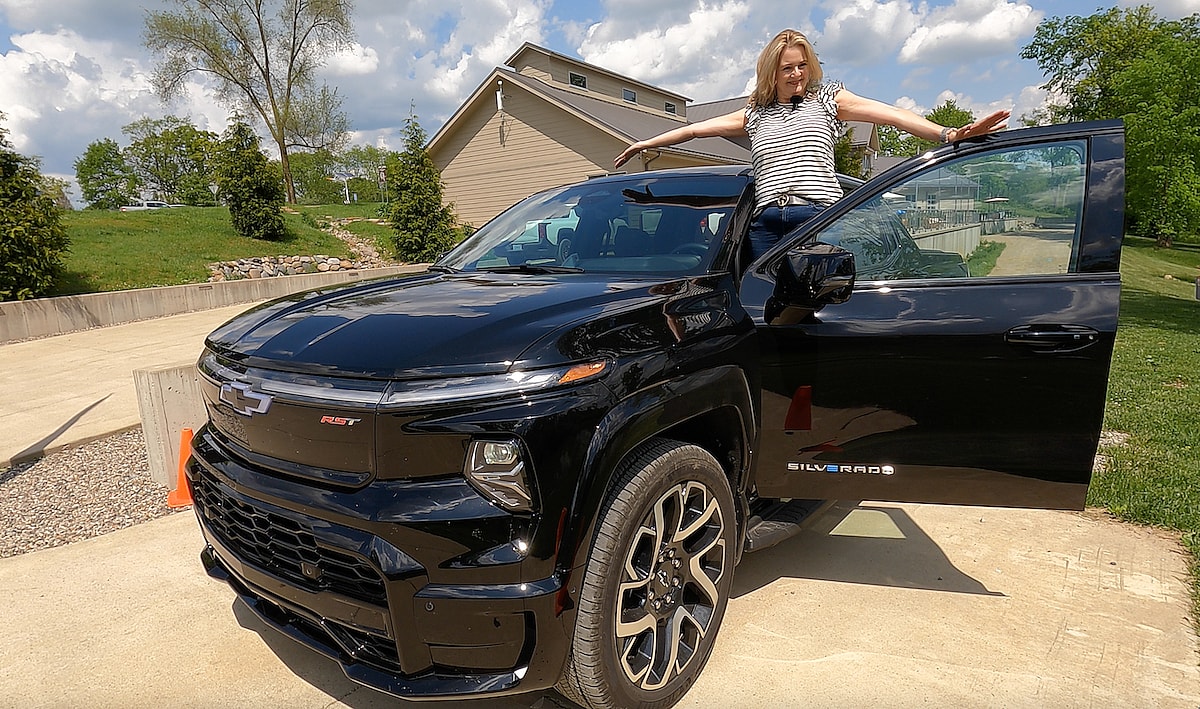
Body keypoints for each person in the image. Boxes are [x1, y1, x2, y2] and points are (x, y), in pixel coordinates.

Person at [613, 29, 1011, 260]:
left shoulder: (827, 99)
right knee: (766, 308)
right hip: (766, 223)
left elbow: (889, 113)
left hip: (818, 217)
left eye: (803, 66)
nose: (798, 74)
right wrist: (645, 142)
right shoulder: (754, 113)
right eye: (788, 68)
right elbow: (695, 130)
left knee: (821, 303)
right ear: (772, 72)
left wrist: (947, 134)